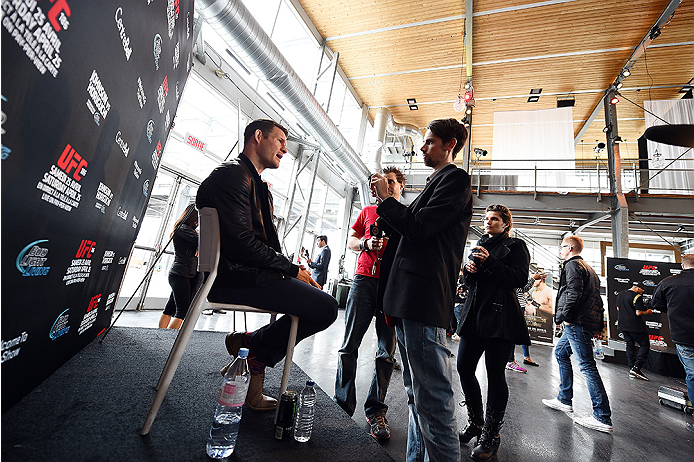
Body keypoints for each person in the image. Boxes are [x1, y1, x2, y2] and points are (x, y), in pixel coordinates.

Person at [196, 119, 338, 411]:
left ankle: (252, 349)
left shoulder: (252, 182)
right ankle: (254, 350)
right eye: (281, 141)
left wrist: (292, 270)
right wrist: (289, 269)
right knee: (325, 308)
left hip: (247, 274)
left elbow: (259, 244)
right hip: (233, 279)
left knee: (320, 302)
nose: (285, 149)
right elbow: (241, 243)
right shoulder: (232, 176)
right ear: (258, 137)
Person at [372, 118, 472, 462]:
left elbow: (418, 229)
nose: (422, 146)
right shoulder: (435, 183)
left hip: (422, 299)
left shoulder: (455, 179)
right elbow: (409, 232)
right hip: (408, 299)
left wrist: (388, 201)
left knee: (433, 399)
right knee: (417, 394)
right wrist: (385, 209)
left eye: (429, 142)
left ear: (450, 146)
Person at [334, 166, 405, 440]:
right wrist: (365, 244)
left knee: (386, 351)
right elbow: (351, 240)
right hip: (364, 282)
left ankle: (376, 410)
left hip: (391, 288)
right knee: (348, 345)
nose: (385, 187)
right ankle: (342, 405)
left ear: (400, 187)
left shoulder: (404, 216)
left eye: (391, 183)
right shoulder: (366, 212)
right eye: (381, 183)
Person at [457, 205, 531, 461]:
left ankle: (491, 435)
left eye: (495, 219)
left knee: (495, 374)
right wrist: (468, 271)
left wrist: (489, 262)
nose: (489, 222)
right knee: (464, 367)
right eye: (487, 219)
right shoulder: (478, 244)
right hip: (475, 314)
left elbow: (520, 279)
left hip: (501, 318)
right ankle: (476, 423)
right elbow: (469, 282)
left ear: (506, 223)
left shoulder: (516, 246)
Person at [542, 235, 612, 433]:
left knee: (587, 366)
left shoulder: (572, 266)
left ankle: (602, 417)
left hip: (576, 322)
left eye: (562, 247)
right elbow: (596, 299)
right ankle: (564, 399)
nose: (560, 250)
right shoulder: (589, 268)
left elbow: (573, 293)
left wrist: (563, 316)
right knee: (561, 353)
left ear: (570, 248)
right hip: (583, 321)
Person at [650, 254, 694, 432]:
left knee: (692, 374)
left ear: (682, 266)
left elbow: (657, 305)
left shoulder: (668, 282)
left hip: (683, 335)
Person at [158, 204, 204, 329]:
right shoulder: (182, 229)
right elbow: (203, 240)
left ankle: (160, 335)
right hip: (180, 274)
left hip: (183, 274)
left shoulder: (190, 231)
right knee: (182, 311)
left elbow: (200, 242)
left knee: (170, 308)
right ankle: (170, 340)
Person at [616, 281, 652, 380]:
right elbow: (638, 313)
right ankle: (636, 367)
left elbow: (618, 308)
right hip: (634, 325)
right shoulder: (637, 297)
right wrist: (647, 312)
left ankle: (632, 367)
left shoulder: (620, 294)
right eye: (641, 290)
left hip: (622, 325)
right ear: (638, 288)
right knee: (645, 345)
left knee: (629, 344)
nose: (642, 292)